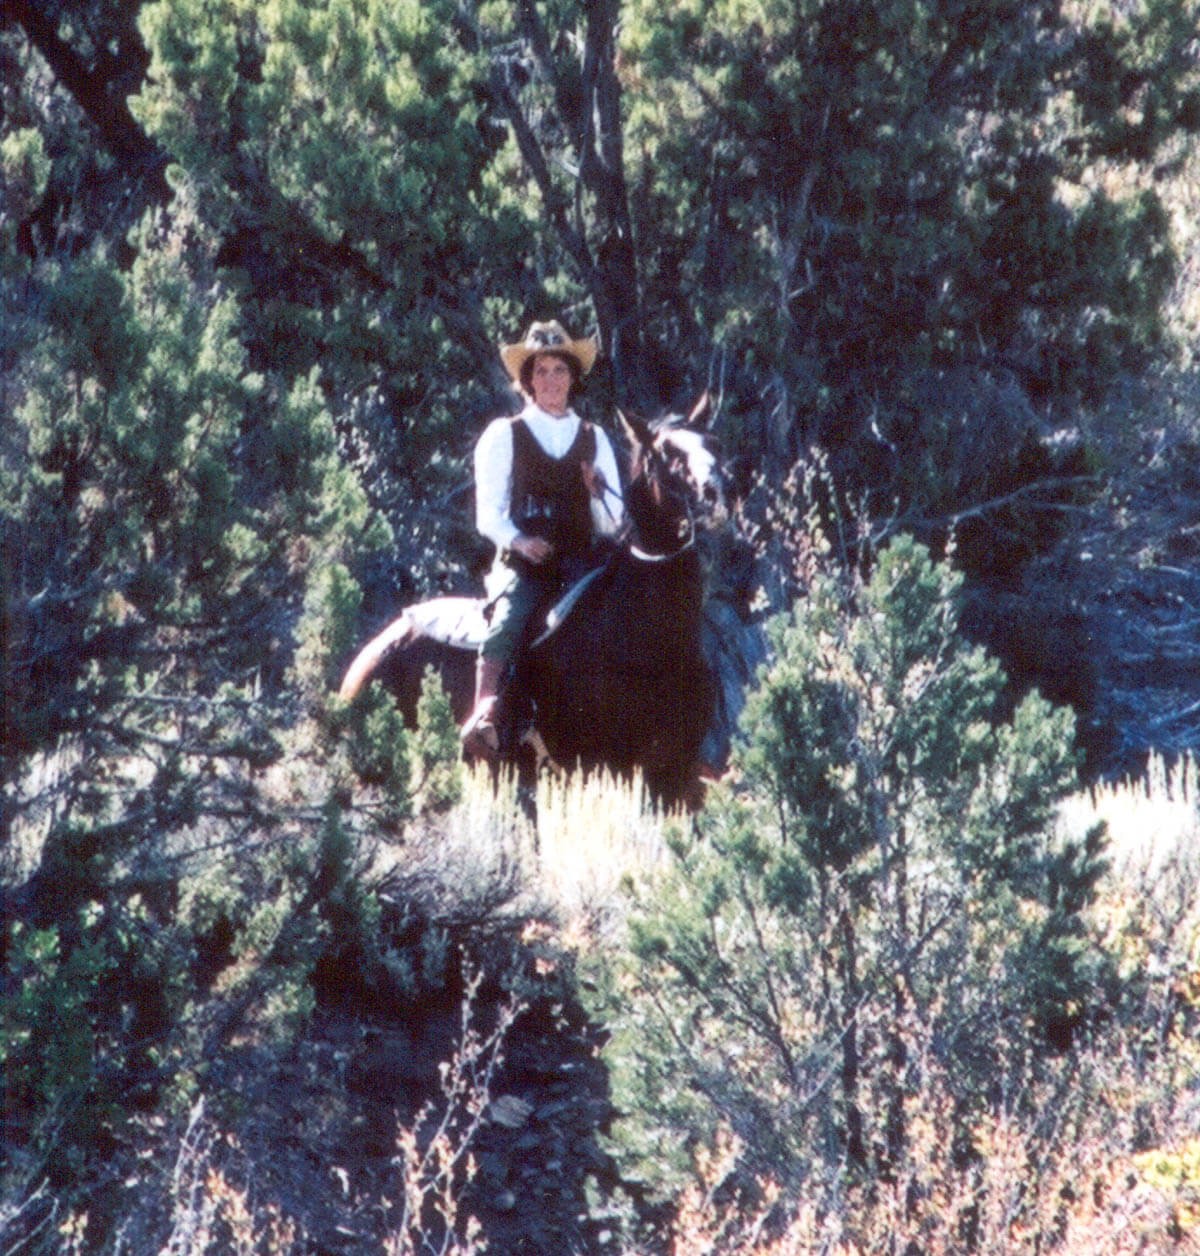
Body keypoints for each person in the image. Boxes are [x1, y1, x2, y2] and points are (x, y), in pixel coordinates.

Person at [461, 319, 624, 754]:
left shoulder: (596, 438)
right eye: (542, 371)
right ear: (528, 380)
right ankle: (485, 712)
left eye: (560, 370)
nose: (551, 380)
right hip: (523, 561)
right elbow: (488, 516)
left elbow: (613, 521)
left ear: (574, 377)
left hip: (582, 562)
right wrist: (520, 542)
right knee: (511, 614)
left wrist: (596, 494)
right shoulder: (504, 434)